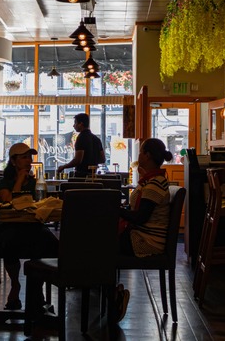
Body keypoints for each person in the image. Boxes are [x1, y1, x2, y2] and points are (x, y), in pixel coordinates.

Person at [0, 142, 59, 310]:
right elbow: (8, 201)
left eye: (30, 157)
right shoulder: (3, 182)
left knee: (51, 244)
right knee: (9, 242)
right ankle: (15, 284)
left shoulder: (35, 183)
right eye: (24, 157)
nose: (29, 161)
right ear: (13, 161)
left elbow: (42, 204)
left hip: (33, 226)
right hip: (10, 226)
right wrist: (20, 180)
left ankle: (36, 293)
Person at [116, 138, 173, 321]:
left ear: (147, 155)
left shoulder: (155, 183)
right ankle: (110, 295)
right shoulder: (152, 180)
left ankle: (112, 297)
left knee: (100, 245)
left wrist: (115, 209)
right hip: (142, 235)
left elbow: (141, 217)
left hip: (146, 241)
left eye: (141, 152)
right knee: (102, 241)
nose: (139, 155)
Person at [56, 113, 104, 178]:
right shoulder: (96, 139)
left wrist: (63, 167)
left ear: (81, 124)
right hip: (93, 176)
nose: (73, 125)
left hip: (81, 176)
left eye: (75, 123)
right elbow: (102, 159)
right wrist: (92, 162)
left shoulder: (81, 138)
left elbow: (78, 160)